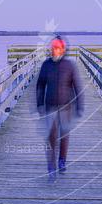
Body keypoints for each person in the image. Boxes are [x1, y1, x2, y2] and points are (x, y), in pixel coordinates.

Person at [36, 36, 83, 182]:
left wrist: (79, 106)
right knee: (51, 138)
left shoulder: (69, 65)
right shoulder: (46, 65)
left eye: (57, 48)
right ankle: (51, 167)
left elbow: (77, 86)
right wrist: (39, 104)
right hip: (50, 106)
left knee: (64, 135)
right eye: (52, 48)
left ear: (62, 49)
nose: (54, 50)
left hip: (66, 107)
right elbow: (40, 85)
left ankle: (62, 160)